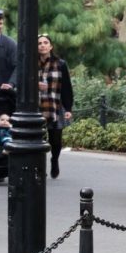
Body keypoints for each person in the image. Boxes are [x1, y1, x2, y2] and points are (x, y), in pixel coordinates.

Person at [37, 33, 74, 179]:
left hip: (55, 105)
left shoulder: (60, 64)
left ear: (51, 46)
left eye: (45, 43)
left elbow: (66, 87)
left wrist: (68, 108)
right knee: (37, 139)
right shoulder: (31, 63)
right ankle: (40, 167)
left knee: (56, 139)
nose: (42, 45)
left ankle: (54, 160)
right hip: (37, 105)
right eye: (39, 43)